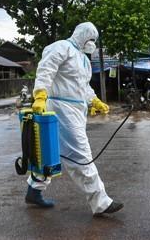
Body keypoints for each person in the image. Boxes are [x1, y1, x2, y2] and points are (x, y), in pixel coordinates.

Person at [27, 22, 123, 216]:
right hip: (60, 108)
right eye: (90, 39)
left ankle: (34, 191)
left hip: (76, 111)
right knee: (80, 154)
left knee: (51, 153)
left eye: (94, 41)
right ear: (81, 35)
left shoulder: (83, 59)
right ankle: (100, 202)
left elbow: (83, 85)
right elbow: (46, 69)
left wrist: (94, 100)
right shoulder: (62, 47)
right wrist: (40, 94)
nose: (92, 43)